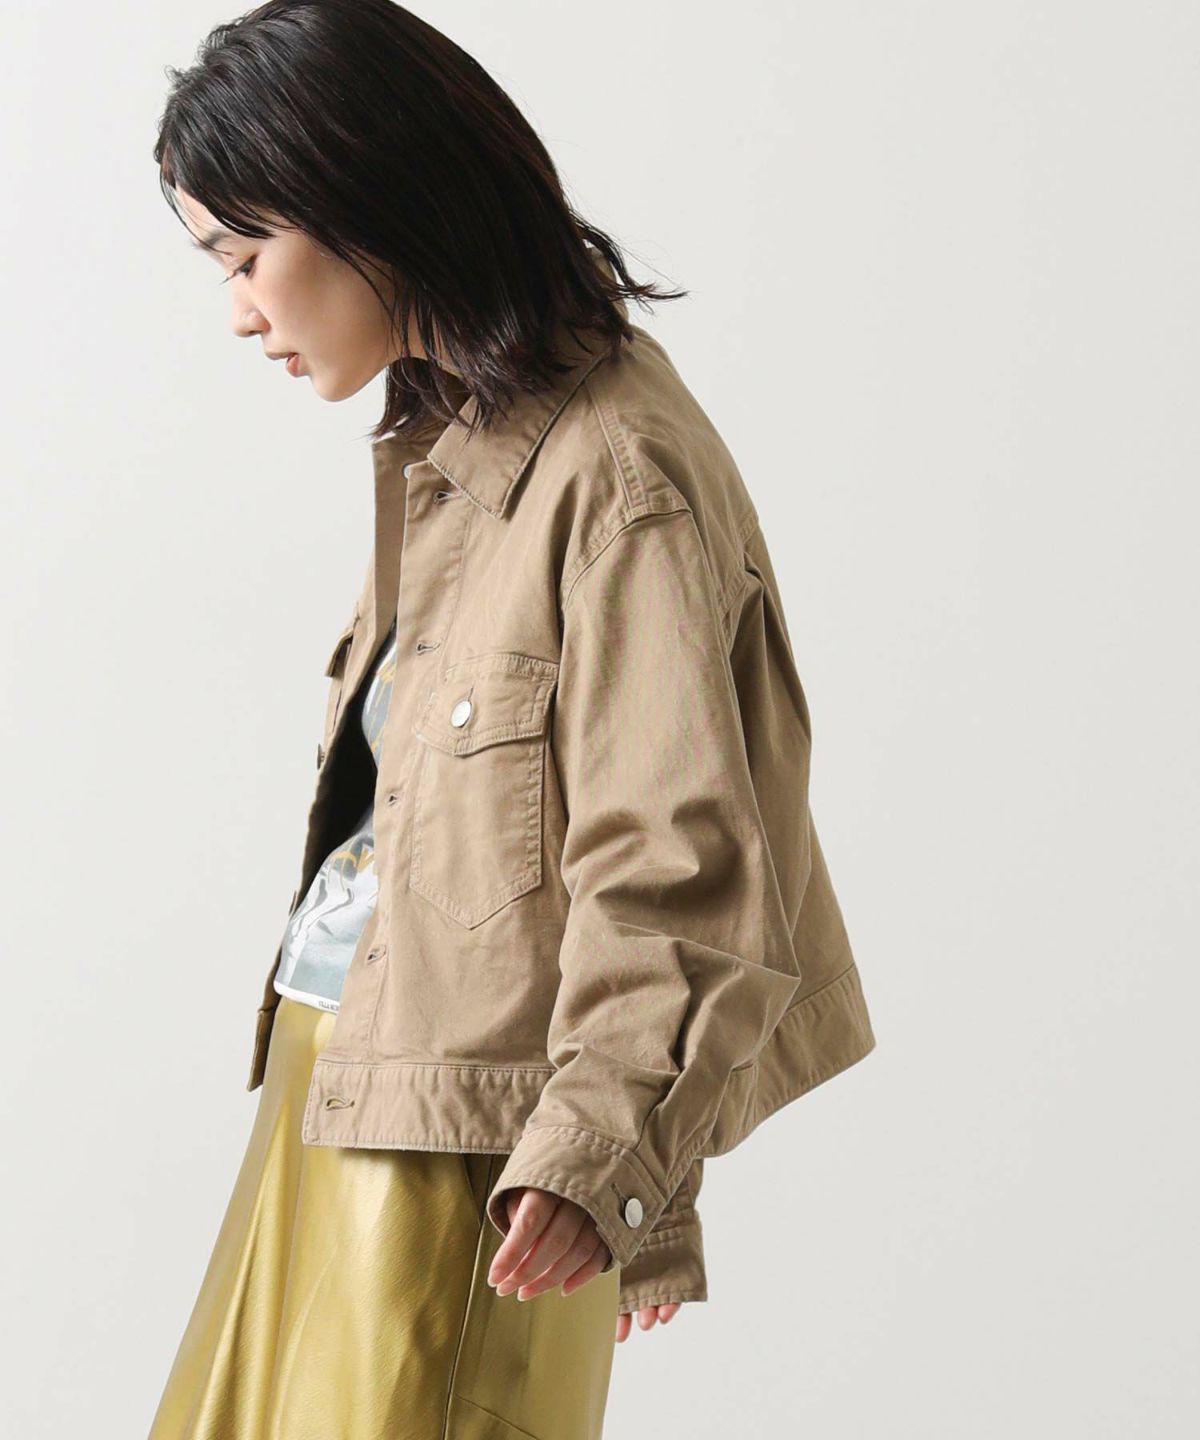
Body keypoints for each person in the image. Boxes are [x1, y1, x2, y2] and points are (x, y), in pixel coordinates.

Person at [147, 2, 877, 1436]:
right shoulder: (460, 441)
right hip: (347, 1089)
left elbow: (677, 862)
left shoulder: (619, 474)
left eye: (243, 255)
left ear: (368, 200)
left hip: (467, 1167)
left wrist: (609, 1156)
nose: (237, 310)